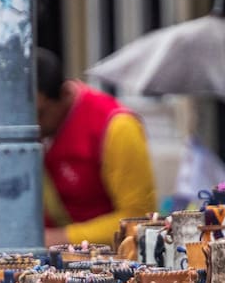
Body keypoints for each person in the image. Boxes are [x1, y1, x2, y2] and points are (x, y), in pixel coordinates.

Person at [35, 48, 157, 248]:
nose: (33, 124)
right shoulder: (44, 133)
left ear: (65, 94)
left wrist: (62, 238)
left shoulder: (118, 127)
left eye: (40, 113)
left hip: (113, 264)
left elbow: (139, 219)